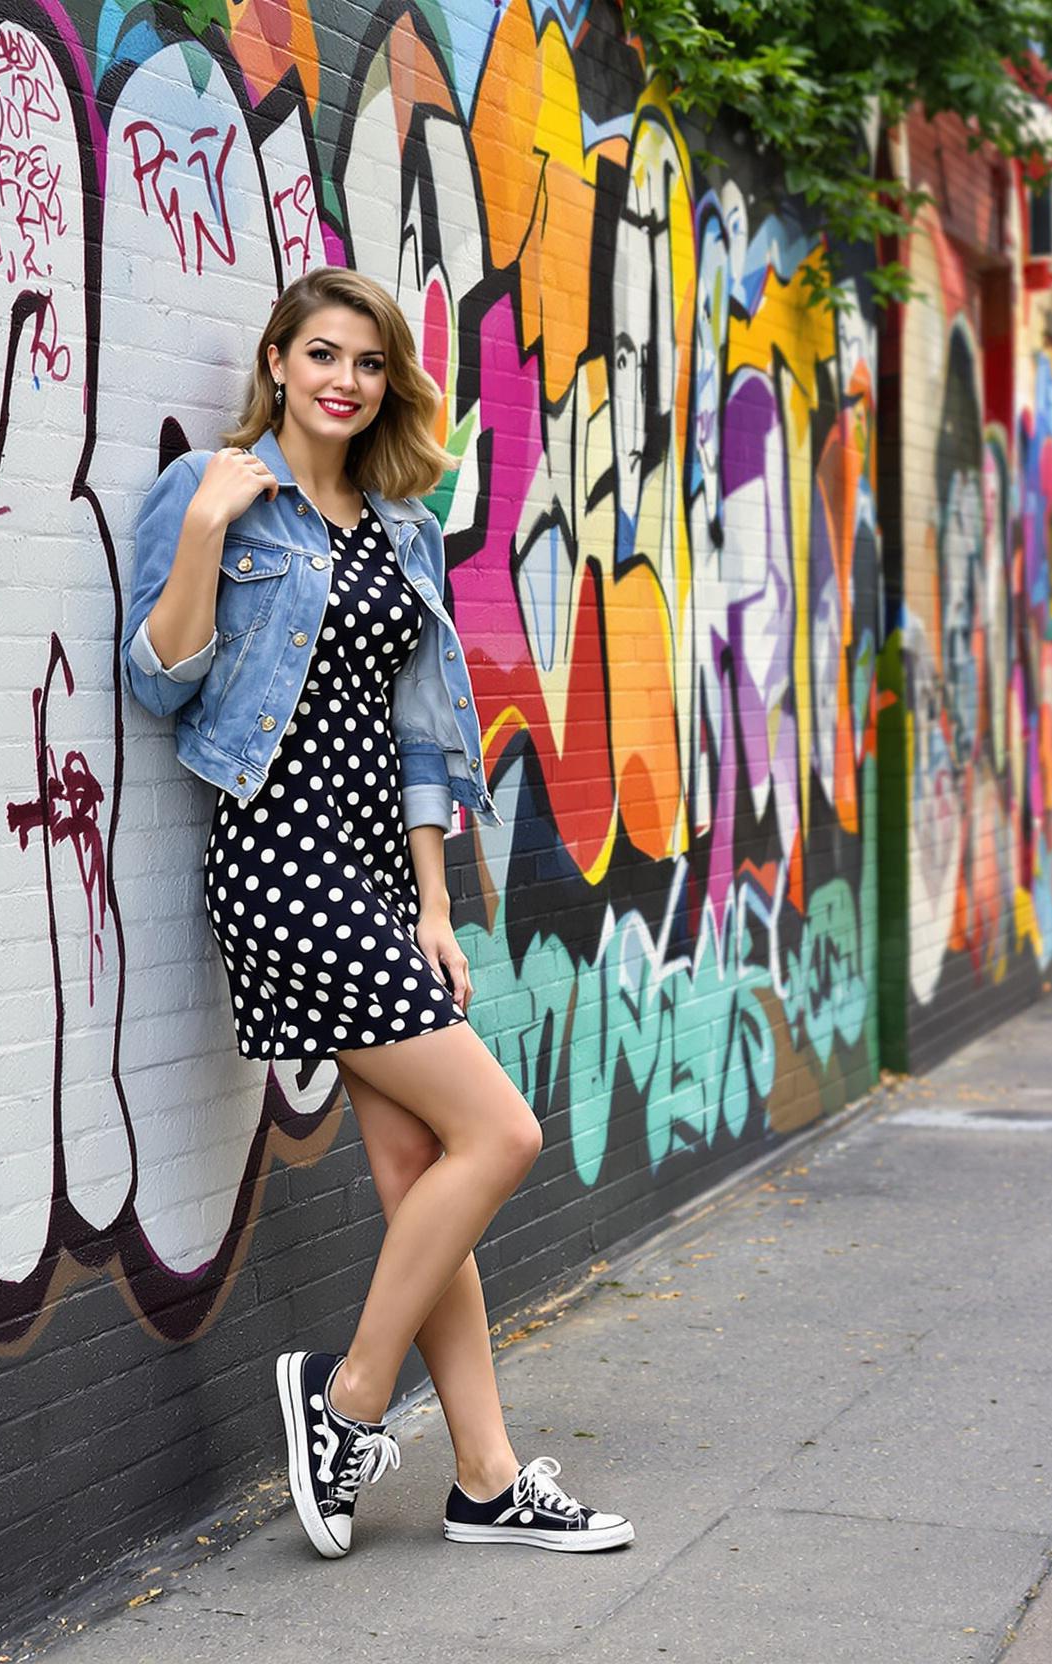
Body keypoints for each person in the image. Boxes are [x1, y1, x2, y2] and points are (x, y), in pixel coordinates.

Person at [121, 267, 633, 1559]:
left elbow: (420, 738)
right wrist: (200, 537)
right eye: (322, 355)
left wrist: (438, 907)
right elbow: (157, 684)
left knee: (421, 1177)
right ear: (279, 362)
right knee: (501, 1134)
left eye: (366, 363)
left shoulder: (400, 529)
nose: (343, 381)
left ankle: (485, 1476)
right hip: (281, 865)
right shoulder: (216, 493)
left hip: (370, 878)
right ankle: (346, 1400)